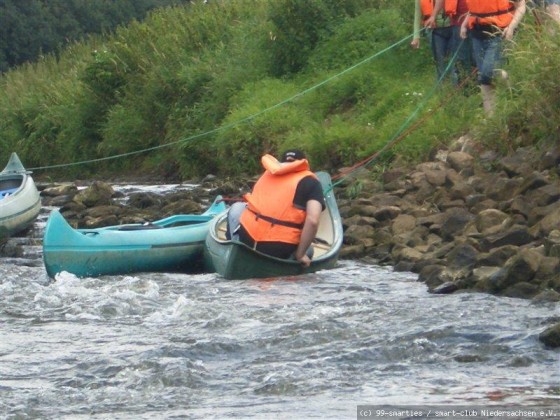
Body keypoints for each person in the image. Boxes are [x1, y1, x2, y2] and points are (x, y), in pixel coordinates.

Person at [226, 149, 325, 268]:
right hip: (279, 248)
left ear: (280, 163)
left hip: (247, 239)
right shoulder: (311, 182)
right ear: (304, 164)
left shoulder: (267, 174)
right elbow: (313, 220)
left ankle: (234, 248)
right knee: (308, 250)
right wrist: (300, 254)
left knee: (237, 207)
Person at [460, 0, 526, 116]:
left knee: (488, 73)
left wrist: (511, 27)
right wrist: (464, 24)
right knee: (484, 80)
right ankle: (490, 119)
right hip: (477, 34)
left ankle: (514, 90)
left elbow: (521, 5)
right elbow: (474, 8)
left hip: (499, 33)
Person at [412, 0, 472, 85]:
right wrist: (416, 36)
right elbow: (417, 15)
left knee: (456, 59)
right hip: (435, 31)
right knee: (440, 61)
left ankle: (459, 87)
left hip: (452, 27)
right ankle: (444, 88)